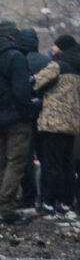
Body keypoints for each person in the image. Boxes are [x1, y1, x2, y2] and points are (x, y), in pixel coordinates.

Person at [0, 16, 38, 223]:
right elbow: (22, 92)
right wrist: (31, 109)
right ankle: (7, 209)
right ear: (13, 34)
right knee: (16, 162)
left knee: (1, 163)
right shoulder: (16, 56)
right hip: (17, 118)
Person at [32, 34, 80, 217]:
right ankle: (66, 203)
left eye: (55, 47)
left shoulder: (58, 65)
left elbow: (36, 82)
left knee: (52, 164)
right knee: (67, 164)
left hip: (53, 122)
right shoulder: (77, 67)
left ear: (61, 48)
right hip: (72, 123)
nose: (53, 50)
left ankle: (50, 203)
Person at [18, 28, 48, 210]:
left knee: (25, 159)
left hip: (24, 116)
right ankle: (46, 197)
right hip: (45, 116)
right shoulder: (48, 62)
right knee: (46, 158)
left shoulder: (18, 61)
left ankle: (28, 197)